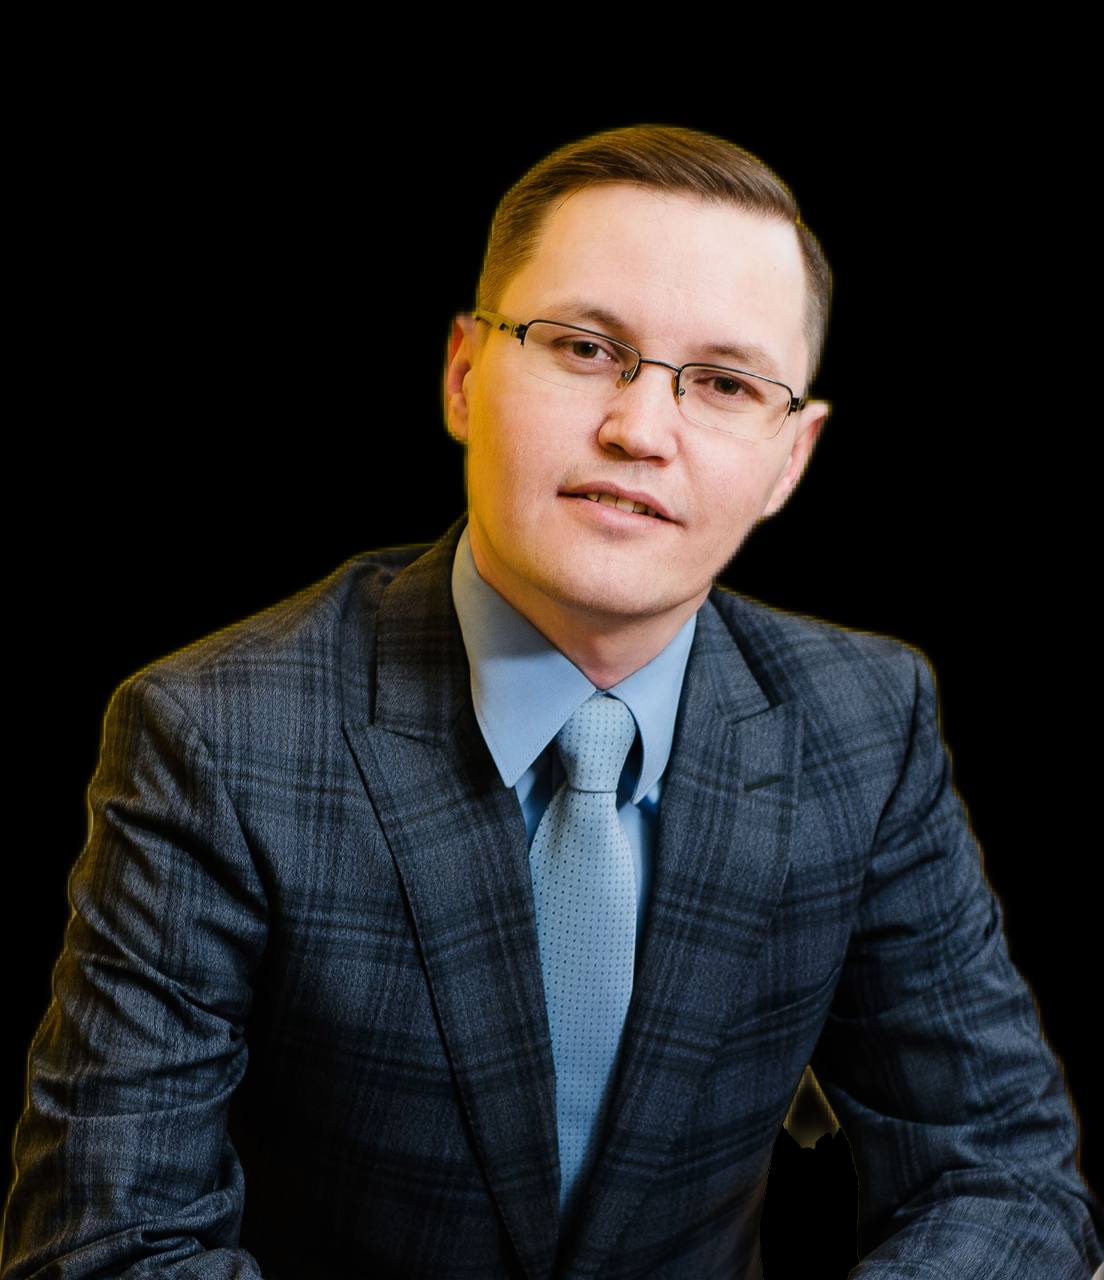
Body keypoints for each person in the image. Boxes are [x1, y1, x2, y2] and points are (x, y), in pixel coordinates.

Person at [3, 124, 1101, 1280]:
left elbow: (1006, 1176)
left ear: (792, 456)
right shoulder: (215, 735)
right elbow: (107, 1245)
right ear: (464, 372)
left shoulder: (868, 721)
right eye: (585, 347)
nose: (641, 430)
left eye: (726, 383)